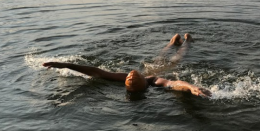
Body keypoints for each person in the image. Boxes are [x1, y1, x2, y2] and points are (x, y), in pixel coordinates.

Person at [43, 33, 212, 98]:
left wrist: (64, 64)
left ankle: (171, 42)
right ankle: (186, 41)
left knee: (161, 57)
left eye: (131, 74)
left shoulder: (125, 79)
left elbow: (94, 71)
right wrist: (191, 87)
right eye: (134, 75)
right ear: (143, 83)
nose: (131, 73)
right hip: (161, 70)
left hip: (153, 67)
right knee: (175, 59)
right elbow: (175, 84)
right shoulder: (154, 81)